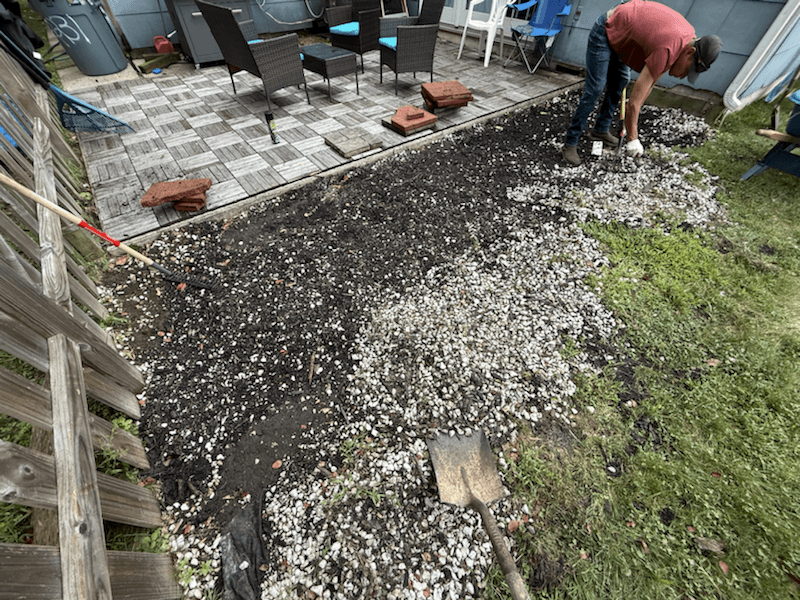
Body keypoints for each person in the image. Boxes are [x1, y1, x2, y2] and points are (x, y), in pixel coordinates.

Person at [562, 0, 721, 166]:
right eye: (688, 70)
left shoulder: (684, 43)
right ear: (690, 53)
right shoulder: (667, 50)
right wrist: (633, 139)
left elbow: (648, 87)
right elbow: (634, 104)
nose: (683, 76)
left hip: (624, 34)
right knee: (595, 88)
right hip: (606, 29)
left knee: (621, 81)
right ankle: (570, 143)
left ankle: (600, 130)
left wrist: (633, 128)